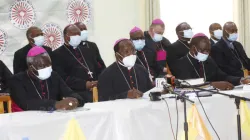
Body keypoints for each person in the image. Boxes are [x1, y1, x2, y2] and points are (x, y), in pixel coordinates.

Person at [9, 46, 84, 111]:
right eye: (42, 66)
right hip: (26, 120)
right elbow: (26, 103)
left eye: (49, 65)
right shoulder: (17, 80)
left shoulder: (54, 76)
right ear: (31, 67)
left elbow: (69, 92)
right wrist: (56, 104)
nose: (47, 68)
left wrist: (75, 100)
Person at [172, 33, 250, 90]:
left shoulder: (209, 60)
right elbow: (187, 86)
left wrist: (241, 80)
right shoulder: (180, 64)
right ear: (193, 49)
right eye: (203, 51)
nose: (206, 54)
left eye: (208, 51)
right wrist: (212, 85)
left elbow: (223, 76)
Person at [52, 24, 100, 102]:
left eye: (79, 34)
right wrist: (85, 84)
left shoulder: (87, 50)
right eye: (74, 34)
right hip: (75, 92)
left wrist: (97, 82)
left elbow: (97, 68)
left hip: (94, 88)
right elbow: (62, 78)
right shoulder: (57, 54)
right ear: (66, 36)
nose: (77, 36)